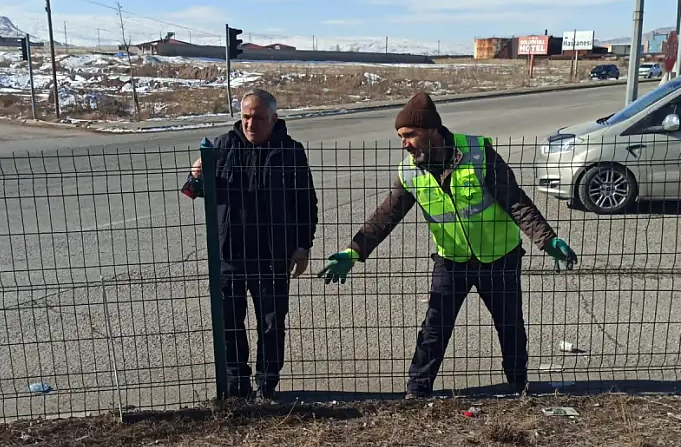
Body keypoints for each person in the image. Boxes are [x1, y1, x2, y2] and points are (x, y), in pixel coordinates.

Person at [317, 92, 577, 399]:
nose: (405, 143)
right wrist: (354, 250)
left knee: (510, 326)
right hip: (451, 261)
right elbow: (386, 215)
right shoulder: (411, 170)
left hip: (500, 258)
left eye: (410, 135)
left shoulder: (479, 154)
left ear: (432, 130)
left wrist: (546, 238)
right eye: (401, 137)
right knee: (435, 328)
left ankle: (519, 386)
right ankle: (417, 391)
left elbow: (514, 200)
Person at [184, 89, 318, 400]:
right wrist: (196, 176)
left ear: (274, 118)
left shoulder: (290, 151)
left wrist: (303, 245)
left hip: (273, 255)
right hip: (230, 253)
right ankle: (236, 386)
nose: (250, 124)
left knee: (271, 324)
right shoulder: (221, 147)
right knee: (229, 322)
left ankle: (267, 385)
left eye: (257, 118)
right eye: (245, 117)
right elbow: (194, 192)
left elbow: (305, 203)